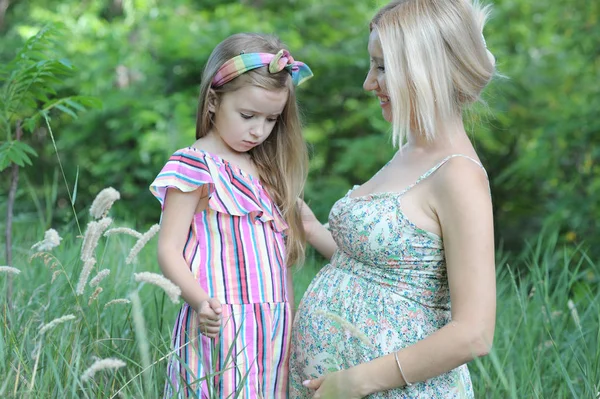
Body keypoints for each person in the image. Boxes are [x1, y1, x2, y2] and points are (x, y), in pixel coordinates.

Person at [289, 0, 497, 398]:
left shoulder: (460, 175)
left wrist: (357, 381)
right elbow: (384, 274)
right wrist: (312, 228)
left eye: (382, 67)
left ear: (425, 68)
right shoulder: (409, 153)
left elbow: (474, 333)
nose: (369, 83)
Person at [150, 32, 313, 398]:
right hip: (220, 321)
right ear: (212, 101)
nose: (259, 130)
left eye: (271, 119)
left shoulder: (266, 171)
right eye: (247, 115)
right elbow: (168, 249)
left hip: (272, 325)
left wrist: (290, 311)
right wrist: (199, 301)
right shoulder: (194, 165)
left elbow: (281, 255)